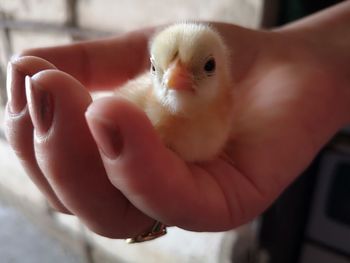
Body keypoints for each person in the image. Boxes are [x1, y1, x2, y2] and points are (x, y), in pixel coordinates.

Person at [4, 1, 350, 241]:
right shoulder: (143, 108)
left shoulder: (226, 109)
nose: (174, 79)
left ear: (222, 71)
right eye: (159, 69)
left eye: (207, 67)